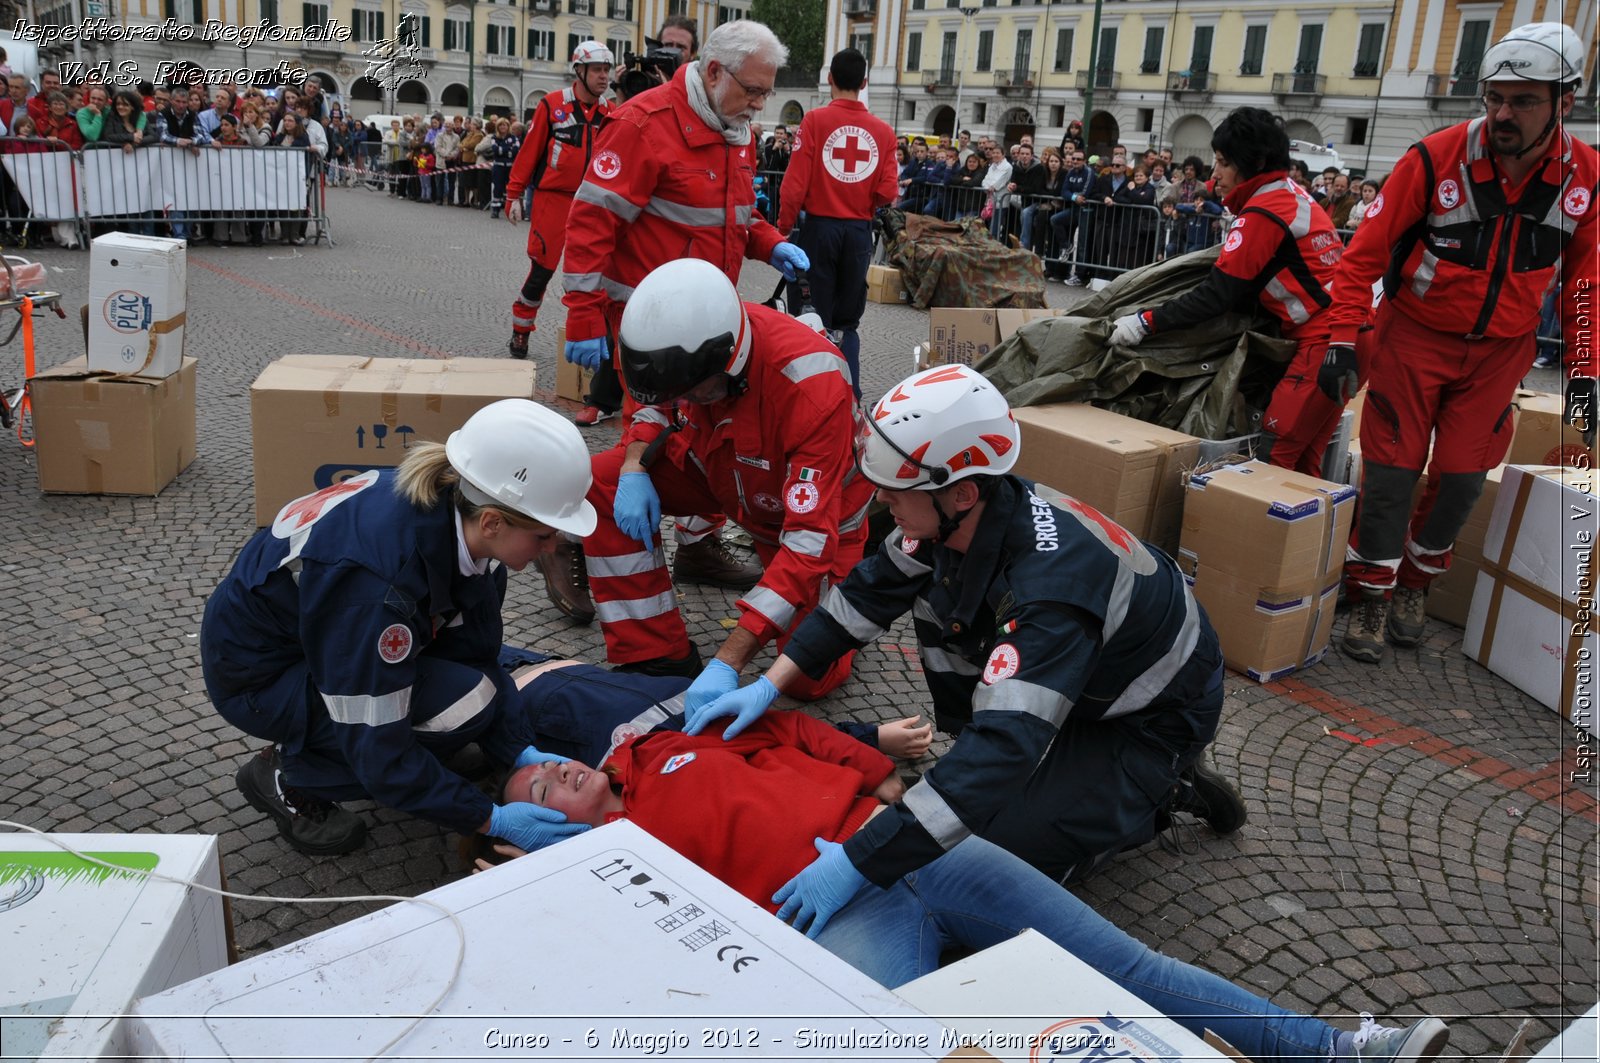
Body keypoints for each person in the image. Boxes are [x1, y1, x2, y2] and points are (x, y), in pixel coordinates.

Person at [487, 711, 1450, 1063]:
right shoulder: (610, 869)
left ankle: (1338, 1048)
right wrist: (571, 846)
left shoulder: (664, 737)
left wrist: (880, 777)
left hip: (902, 845)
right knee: (935, 1055)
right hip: (827, 916)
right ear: (540, 825)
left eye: (551, 766)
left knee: (1129, 967)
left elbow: (794, 730)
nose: (556, 777)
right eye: (537, 790)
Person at [686, 363, 1247, 892]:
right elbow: (863, 596)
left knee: (996, 855)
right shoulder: (959, 519)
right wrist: (767, 684)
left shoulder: (1048, 593)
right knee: (945, 622)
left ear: (961, 493)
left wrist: (865, 862)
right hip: (1089, 680)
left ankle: (1165, 792)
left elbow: (1005, 747)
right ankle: (1048, 768)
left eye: (897, 489)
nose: (882, 499)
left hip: (1151, 716)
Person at [200, 400, 601, 857]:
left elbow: (477, 653)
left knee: (473, 697)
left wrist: (515, 749)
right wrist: (488, 817)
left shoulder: (468, 534)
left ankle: (419, 753)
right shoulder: (376, 586)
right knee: (456, 709)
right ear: (492, 521)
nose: (550, 549)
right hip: (262, 678)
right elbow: (378, 747)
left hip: (320, 640)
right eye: (543, 536)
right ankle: (290, 774)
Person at [1315, 22, 1597, 664]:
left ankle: (1415, 584)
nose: (1502, 113)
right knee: (1391, 472)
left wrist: (1586, 373)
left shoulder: (1588, 180)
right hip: (1414, 338)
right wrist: (1339, 340)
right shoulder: (1433, 157)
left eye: (1523, 101)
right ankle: (1373, 594)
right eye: (1494, 97)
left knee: (1466, 478)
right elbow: (1362, 258)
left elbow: (1588, 286)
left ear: (1565, 102)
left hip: (1501, 353)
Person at [554, 19, 810, 606]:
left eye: (766, 92)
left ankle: (697, 545)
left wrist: (771, 244)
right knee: (650, 436)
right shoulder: (644, 125)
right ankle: (571, 530)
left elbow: (735, 214)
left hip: (712, 325)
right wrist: (584, 315)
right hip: (648, 326)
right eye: (753, 89)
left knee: (712, 430)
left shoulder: (734, 128)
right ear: (714, 71)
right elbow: (592, 222)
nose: (760, 103)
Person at [566, 257, 871, 706]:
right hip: (725, 474)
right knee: (604, 480)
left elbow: (807, 543)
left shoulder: (812, 385)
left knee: (808, 680)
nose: (684, 401)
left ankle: (857, 597)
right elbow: (656, 407)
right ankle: (655, 653)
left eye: (692, 393)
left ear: (731, 360)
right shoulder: (680, 341)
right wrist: (634, 464)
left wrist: (728, 661)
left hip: (815, 521)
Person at [1105, 108, 1354, 476]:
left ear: (1252, 163)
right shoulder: (1290, 194)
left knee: (1277, 455)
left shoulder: (1263, 212)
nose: (1214, 173)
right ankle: (1312, 532)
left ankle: (1272, 532)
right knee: (1305, 461)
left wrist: (1145, 321)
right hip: (1348, 336)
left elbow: (1218, 294)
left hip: (1324, 339)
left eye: (1222, 162)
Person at [775, 47, 897, 402]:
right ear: (864, 82)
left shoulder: (814, 121)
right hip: (858, 233)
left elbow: (794, 183)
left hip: (819, 229)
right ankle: (851, 397)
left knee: (810, 316)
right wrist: (862, 202)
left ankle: (807, 397)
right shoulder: (884, 132)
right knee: (847, 321)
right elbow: (888, 190)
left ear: (829, 79)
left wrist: (783, 227)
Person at [503, 41, 613, 376]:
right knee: (542, 271)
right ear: (579, 71)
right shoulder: (553, 106)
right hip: (554, 200)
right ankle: (521, 332)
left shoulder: (610, 111)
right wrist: (513, 194)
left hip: (593, 202)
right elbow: (530, 152)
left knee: (598, 275)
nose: (604, 77)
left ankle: (597, 340)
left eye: (607, 71)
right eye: (597, 70)